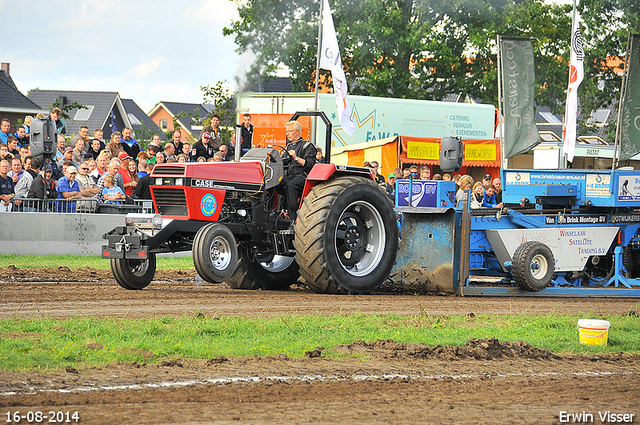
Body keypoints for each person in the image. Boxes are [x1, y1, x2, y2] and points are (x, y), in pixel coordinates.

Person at [280, 120, 316, 215]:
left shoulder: (307, 146)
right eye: (286, 131)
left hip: (302, 176)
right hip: (289, 175)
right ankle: (275, 210)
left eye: (290, 131)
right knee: (274, 182)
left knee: (291, 185)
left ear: (298, 132)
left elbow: (310, 165)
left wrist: (296, 158)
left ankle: (294, 213)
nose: (287, 134)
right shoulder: (288, 147)